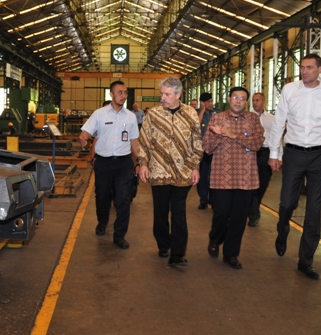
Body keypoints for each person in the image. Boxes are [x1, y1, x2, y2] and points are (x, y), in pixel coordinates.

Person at [268, 53, 321, 279]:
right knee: (287, 203)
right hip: (293, 153)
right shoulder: (290, 90)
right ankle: (283, 228)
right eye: (302, 67)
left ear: (320, 69)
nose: (304, 71)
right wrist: (274, 153)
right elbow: (278, 122)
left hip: (320, 155)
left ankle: (306, 260)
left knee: (314, 208)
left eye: (309, 67)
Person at [137, 77, 203, 266]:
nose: (163, 97)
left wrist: (195, 167)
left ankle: (178, 254)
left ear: (178, 94)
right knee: (160, 213)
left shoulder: (190, 114)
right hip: (158, 172)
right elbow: (144, 140)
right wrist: (143, 163)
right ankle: (163, 244)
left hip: (183, 173)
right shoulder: (153, 114)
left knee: (179, 213)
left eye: (167, 94)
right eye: (162, 94)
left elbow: (197, 143)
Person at [203, 87, 264, 269]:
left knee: (239, 218)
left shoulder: (253, 119)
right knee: (221, 213)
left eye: (242, 98)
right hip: (222, 175)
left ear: (246, 102)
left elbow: (257, 143)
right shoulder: (217, 118)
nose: (238, 101)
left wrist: (232, 135)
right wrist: (217, 135)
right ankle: (215, 238)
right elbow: (207, 147)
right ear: (229, 99)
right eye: (235, 97)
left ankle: (231, 254)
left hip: (246, 178)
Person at [79, 81, 139, 249]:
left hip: (123, 162)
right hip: (103, 162)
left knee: (123, 199)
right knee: (102, 196)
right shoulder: (99, 114)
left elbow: (134, 142)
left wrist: (140, 161)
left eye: (125, 92)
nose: (123, 95)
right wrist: (83, 137)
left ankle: (119, 235)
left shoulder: (131, 116)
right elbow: (86, 132)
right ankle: (102, 221)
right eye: (120, 92)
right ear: (111, 94)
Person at [247, 92, 278, 227]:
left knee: (263, 183)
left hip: (266, 152)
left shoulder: (271, 119)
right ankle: (253, 214)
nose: (255, 103)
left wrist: (277, 157)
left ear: (264, 102)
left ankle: (254, 206)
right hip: (251, 152)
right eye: (253, 100)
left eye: (257, 100)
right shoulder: (247, 117)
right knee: (251, 183)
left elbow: (276, 138)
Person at [196, 92, 220, 209]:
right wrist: (201, 110)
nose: (210, 103)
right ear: (202, 103)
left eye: (211, 101)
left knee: (215, 176)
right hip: (202, 150)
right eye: (208, 101)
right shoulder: (196, 113)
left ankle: (214, 200)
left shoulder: (217, 113)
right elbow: (195, 126)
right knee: (203, 176)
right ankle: (204, 200)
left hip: (216, 150)